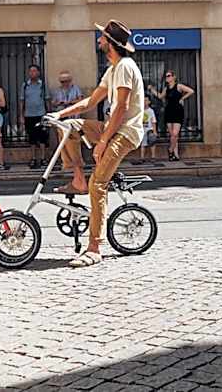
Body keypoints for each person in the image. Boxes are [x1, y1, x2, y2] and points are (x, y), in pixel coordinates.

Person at [49, 20, 144, 268]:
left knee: (99, 184)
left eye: (102, 37)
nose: (98, 40)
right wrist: (59, 115)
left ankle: (94, 248)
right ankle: (77, 177)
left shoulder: (124, 66)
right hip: (112, 128)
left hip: (125, 133)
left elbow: (121, 108)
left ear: (110, 43)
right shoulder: (112, 69)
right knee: (69, 127)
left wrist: (102, 142)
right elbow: (91, 101)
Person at [149, 69, 195, 161]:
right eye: (166, 76)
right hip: (169, 111)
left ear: (174, 77)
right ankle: (175, 155)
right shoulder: (166, 88)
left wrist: (182, 98)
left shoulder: (179, 86)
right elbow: (160, 96)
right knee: (173, 135)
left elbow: (191, 91)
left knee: (174, 134)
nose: (167, 77)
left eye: (169, 76)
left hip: (178, 111)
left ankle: (170, 150)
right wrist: (152, 89)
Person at [20, 64, 50, 168]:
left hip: (41, 114)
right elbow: (22, 101)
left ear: (38, 72)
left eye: (34, 71)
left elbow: (47, 99)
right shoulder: (25, 85)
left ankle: (43, 158)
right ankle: (33, 158)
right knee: (32, 138)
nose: (32, 73)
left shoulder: (42, 85)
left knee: (42, 137)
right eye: (30, 71)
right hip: (29, 115)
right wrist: (21, 115)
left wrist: (48, 114)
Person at [137, 95, 157, 163]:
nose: (144, 102)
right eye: (143, 100)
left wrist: (154, 131)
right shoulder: (139, 110)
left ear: (149, 102)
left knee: (152, 142)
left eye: (146, 100)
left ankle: (153, 156)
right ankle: (142, 157)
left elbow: (153, 121)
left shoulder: (151, 111)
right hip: (142, 130)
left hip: (149, 129)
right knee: (143, 143)